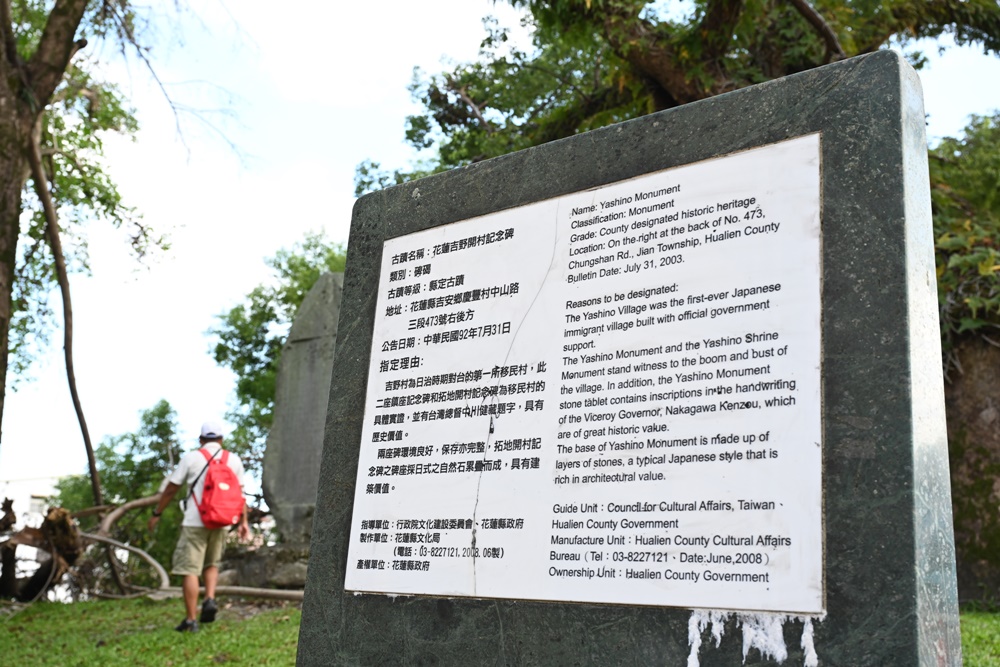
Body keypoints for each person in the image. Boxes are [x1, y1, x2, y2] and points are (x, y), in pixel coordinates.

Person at [148, 421, 250, 632]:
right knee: (212, 563)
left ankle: (191, 620)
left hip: (196, 521)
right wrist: (243, 522)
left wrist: (157, 513)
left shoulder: (192, 458)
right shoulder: (233, 460)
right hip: (222, 520)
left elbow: (171, 489)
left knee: (190, 570)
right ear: (221, 440)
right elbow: (240, 495)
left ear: (201, 440)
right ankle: (210, 599)